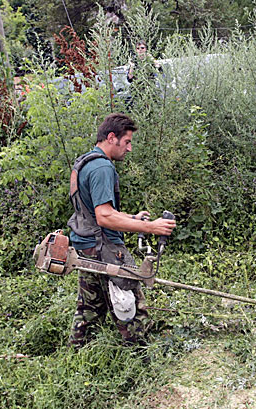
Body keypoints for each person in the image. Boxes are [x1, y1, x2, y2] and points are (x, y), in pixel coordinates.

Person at [67, 113, 176, 348]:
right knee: (131, 302)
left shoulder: (84, 163)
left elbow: (93, 211)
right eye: (127, 142)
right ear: (111, 137)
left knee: (89, 307)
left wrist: (131, 218)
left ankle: (76, 353)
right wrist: (151, 226)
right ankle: (141, 354)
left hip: (85, 246)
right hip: (103, 248)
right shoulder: (102, 168)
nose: (130, 148)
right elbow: (104, 216)